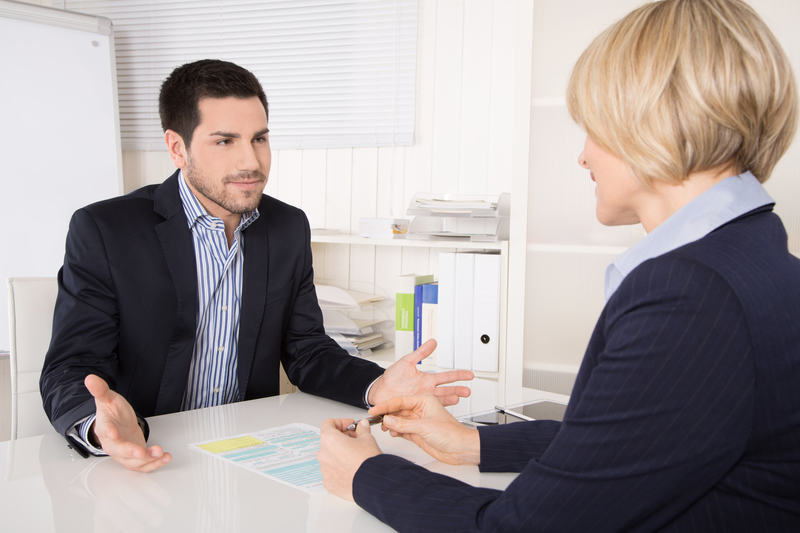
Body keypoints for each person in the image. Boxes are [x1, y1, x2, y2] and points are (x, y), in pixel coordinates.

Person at [316, 0, 800, 530]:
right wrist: (470, 442)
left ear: (651, 123)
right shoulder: (751, 256)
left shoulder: (693, 293)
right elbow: (638, 440)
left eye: (592, 127)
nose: (583, 156)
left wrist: (366, 474)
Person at [40, 59, 473, 473]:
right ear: (177, 147)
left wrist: (376, 386)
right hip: (150, 451)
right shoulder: (105, 229)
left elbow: (307, 350)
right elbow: (71, 365)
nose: (251, 162)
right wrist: (99, 426)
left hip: (249, 451)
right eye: (225, 141)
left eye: (260, 139)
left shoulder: (287, 226)